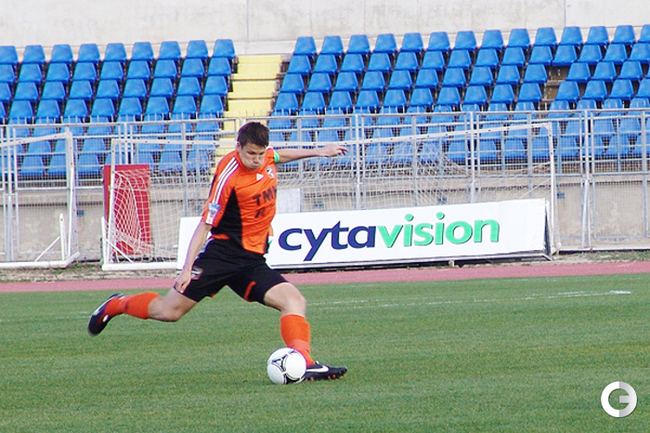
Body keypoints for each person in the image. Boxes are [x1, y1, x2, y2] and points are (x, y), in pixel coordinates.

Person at [88, 121, 348, 381]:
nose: (257, 160)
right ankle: (118, 304)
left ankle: (304, 362)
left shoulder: (266, 156)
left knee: (294, 301)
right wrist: (186, 269)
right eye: (251, 154)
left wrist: (319, 151)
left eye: (260, 154)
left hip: (251, 260)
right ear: (238, 147)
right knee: (169, 312)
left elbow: (279, 155)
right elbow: (204, 225)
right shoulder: (228, 176)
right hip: (221, 256)